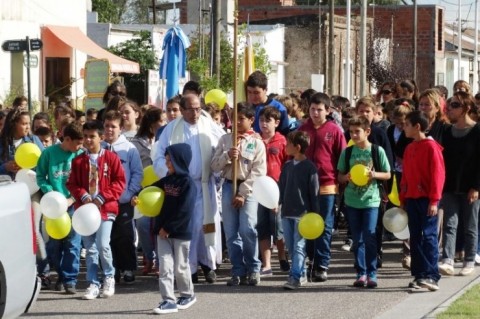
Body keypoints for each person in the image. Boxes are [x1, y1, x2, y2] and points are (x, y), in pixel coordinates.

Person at [153, 94, 225, 283]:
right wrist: (168, 174)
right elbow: (159, 155)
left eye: (198, 108)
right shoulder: (172, 129)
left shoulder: (208, 125)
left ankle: (207, 264)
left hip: (204, 185)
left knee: (206, 226)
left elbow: (223, 144)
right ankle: (189, 268)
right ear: (182, 110)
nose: (195, 113)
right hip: (183, 186)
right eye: (191, 109)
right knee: (189, 227)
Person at [133, 143, 196, 314]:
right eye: (167, 160)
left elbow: (185, 211)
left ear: (180, 161)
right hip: (162, 233)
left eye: (170, 161)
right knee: (165, 266)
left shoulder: (188, 184)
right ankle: (168, 300)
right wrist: (138, 196)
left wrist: (168, 228)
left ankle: (187, 294)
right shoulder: (167, 180)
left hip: (180, 232)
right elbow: (150, 189)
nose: (167, 164)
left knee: (181, 267)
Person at [66, 121, 126, 300]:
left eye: (92, 136)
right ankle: (93, 282)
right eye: (85, 136)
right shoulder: (78, 161)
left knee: (102, 244)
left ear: (101, 137)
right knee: (90, 248)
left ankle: (109, 276)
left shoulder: (111, 158)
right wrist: (82, 194)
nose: (88, 140)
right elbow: (72, 183)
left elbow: (119, 181)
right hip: (85, 212)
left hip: (105, 209)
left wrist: (103, 197)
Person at [211, 102, 267, 286]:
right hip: (228, 186)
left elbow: (258, 172)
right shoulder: (225, 140)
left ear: (251, 120)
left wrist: (242, 193)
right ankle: (237, 270)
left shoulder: (256, 143)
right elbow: (214, 166)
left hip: (248, 189)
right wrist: (227, 156)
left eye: (241, 119)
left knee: (247, 229)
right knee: (231, 231)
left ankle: (253, 268)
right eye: (234, 118)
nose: (237, 122)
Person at [337, 116, 391, 288]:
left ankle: (372, 272)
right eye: (351, 131)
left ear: (367, 132)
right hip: (352, 200)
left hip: (371, 200)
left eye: (357, 131)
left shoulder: (377, 151)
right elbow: (340, 175)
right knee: (358, 238)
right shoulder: (348, 152)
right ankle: (361, 273)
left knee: (370, 234)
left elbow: (388, 174)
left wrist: (373, 175)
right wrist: (345, 177)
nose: (353, 135)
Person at [298, 92, 346, 282]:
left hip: (327, 184)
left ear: (328, 110)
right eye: (312, 109)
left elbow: (342, 157)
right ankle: (311, 259)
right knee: (308, 224)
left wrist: (340, 179)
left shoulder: (334, 130)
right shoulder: (303, 130)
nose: (316, 113)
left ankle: (322, 264)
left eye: (319, 109)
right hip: (306, 186)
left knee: (325, 226)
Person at [36, 122, 85, 294]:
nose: (80, 146)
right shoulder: (49, 153)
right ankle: (61, 276)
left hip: (73, 205)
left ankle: (70, 280)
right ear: (67, 139)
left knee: (73, 243)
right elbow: (40, 176)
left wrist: (72, 198)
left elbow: (84, 181)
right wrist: (52, 194)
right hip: (53, 207)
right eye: (77, 143)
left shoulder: (80, 155)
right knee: (54, 245)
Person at [400, 110, 445, 291]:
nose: (404, 128)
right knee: (415, 238)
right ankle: (419, 274)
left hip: (426, 200)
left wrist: (434, 201)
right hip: (411, 199)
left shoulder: (431, 147)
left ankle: (432, 275)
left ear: (417, 126)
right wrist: (403, 198)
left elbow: (437, 176)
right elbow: (405, 176)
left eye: (406, 125)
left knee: (429, 236)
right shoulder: (409, 148)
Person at [439, 91, 480, 276]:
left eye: (455, 105)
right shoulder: (447, 131)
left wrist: (477, 187)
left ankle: (469, 259)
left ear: (467, 108)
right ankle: (447, 259)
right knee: (450, 223)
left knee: (470, 225)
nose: (450, 109)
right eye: (449, 105)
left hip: (470, 187)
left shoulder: (477, 131)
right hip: (449, 185)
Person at [102, 110, 143, 284]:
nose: (110, 130)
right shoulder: (100, 148)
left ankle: (128, 268)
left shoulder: (129, 148)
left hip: (123, 200)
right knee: (107, 236)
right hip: (104, 201)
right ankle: (112, 269)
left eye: (113, 126)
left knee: (125, 235)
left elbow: (137, 173)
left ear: (120, 128)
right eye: (106, 126)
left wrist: (128, 193)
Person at [279, 131, 320, 290]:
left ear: (297, 147)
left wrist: (314, 215)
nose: (285, 146)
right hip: (286, 212)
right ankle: (301, 273)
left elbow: (314, 192)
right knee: (290, 245)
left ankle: (295, 276)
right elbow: (281, 188)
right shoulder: (287, 166)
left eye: (288, 144)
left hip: (303, 215)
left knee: (299, 246)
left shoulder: (310, 168)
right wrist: (278, 203)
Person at [131, 107, 165, 275]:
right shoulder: (136, 143)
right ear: (152, 125)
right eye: (161, 122)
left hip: (164, 188)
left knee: (160, 226)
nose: (164, 124)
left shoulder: (167, 139)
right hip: (144, 189)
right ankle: (148, 256)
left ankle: (159, 261)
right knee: (143, 225)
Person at [257, 106, 289, 276]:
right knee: (262, 227)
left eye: (268, 121)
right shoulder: (255, 140)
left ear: (276, 123)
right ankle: (266, 264)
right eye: (261, 120)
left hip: (276, 190)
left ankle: (282, 256)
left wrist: (283, 191)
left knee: (277, 226)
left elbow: (287, 166)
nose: (264, 124)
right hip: (259, 190)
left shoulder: (282, 141)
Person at [0, 109, 44, 178]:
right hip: (8, 186)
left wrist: (28, 168)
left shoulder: (34, 140)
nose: (28, 127)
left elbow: (45, 162)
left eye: (29, 123)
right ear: (13, 124)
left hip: (31, 185)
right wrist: (5, 167)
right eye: (24, 124)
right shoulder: (2, 143)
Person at [246, 70, 289, 136]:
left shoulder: (279, 108)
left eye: (256, 93)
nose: (252, 96)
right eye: (249, 92)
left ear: (266, 90)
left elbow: (284, 134)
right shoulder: (246, 107)